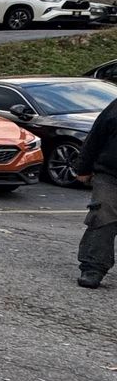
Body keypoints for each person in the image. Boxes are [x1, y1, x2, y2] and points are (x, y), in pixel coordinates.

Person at [73, 94, 117, 289]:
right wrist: (83, 168)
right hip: (110, 175)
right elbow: (96, 136)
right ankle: (93, 268)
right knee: (103, 215)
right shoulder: (115, 109)